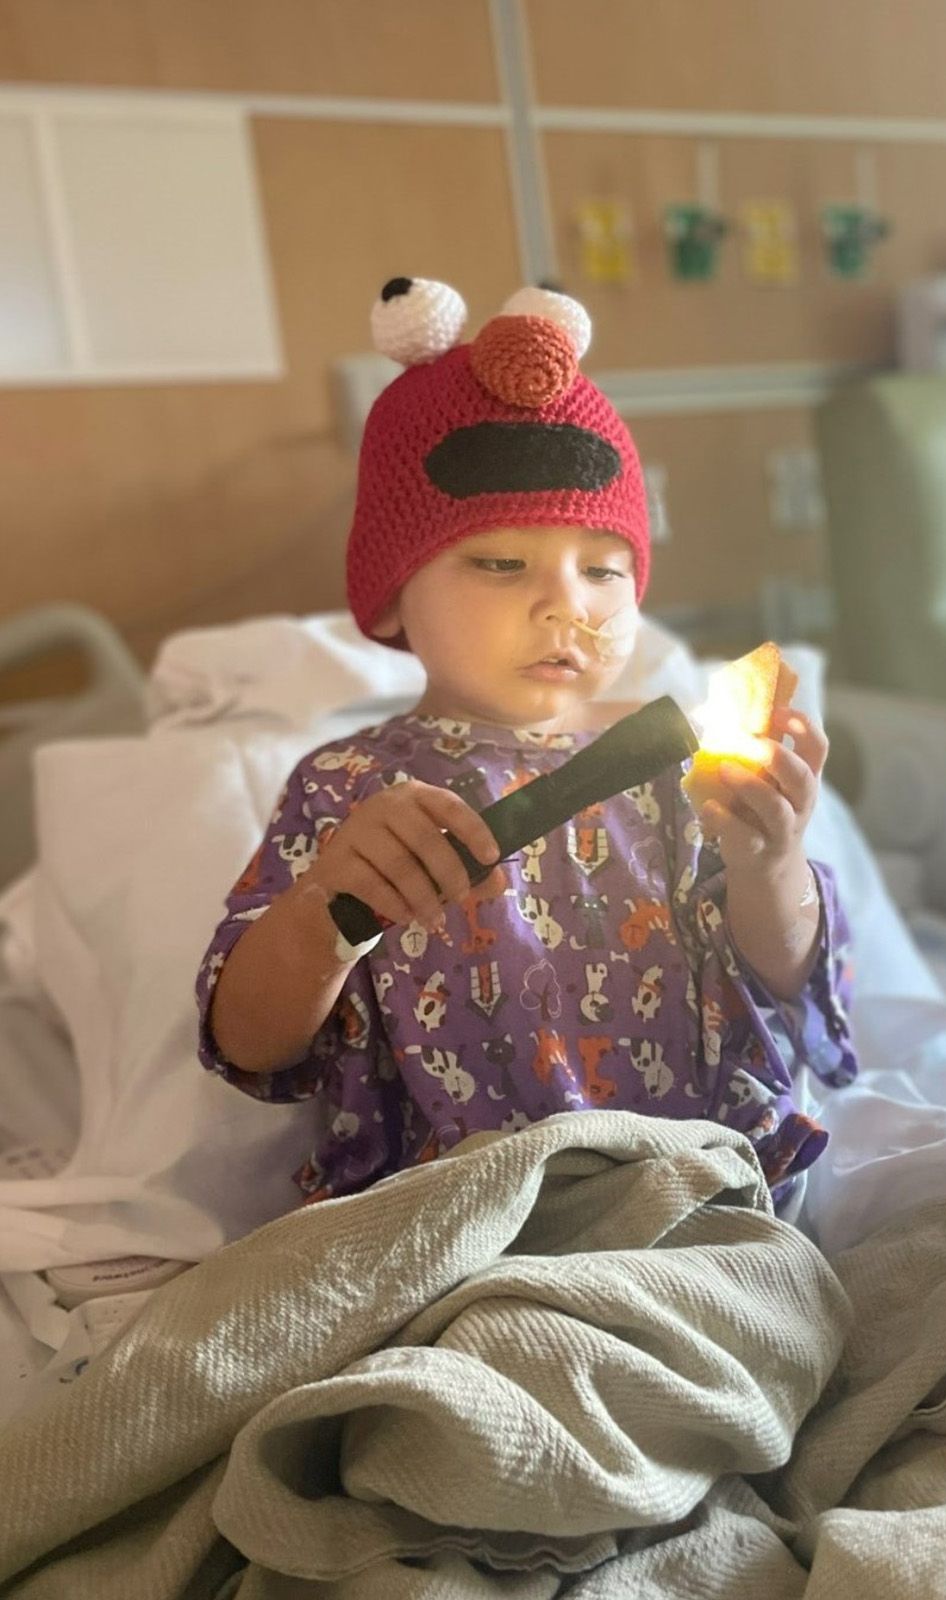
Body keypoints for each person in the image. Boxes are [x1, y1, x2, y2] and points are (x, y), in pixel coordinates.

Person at [195, 277, 858, 1207]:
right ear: (391, 595)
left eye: (603, 569)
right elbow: (249, 1043)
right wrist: (325, 912)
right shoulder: (347, 787)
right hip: (445, 1215)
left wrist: (772, 863)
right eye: (500, 563)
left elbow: (792, 980)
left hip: (693, 1192)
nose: (565, 605)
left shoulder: (686, 769)